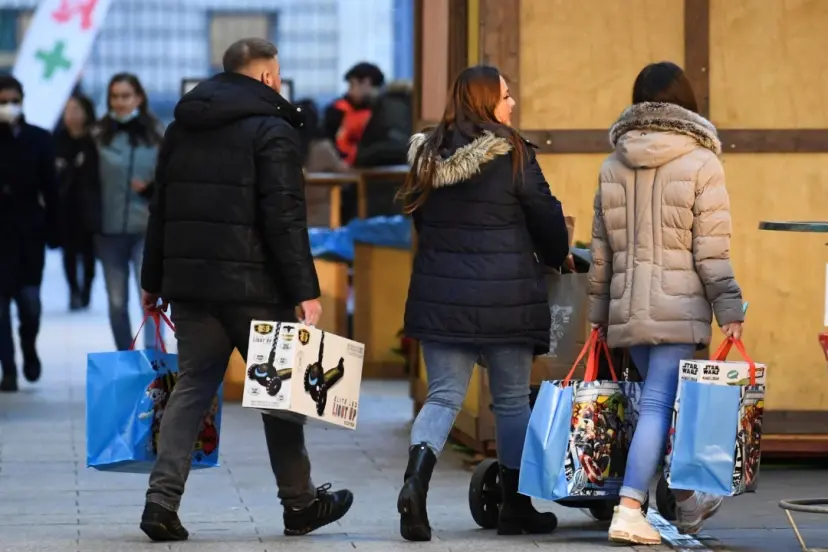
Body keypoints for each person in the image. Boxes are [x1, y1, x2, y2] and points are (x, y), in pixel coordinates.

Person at [139, 38, 353, 542]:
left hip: (192, 286)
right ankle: (300, 504)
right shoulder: (273, 131)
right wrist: (305, 289)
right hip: (256, 287)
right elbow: (283, 217)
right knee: (278, 397)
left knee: (191, 389)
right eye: (276, 73)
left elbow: (161, 211)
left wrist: (152, 282)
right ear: (265, 77)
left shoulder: (181, 127)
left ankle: (160, 501)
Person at [396, 65, 570, 541]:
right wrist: (556, 258)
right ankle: (515, 507)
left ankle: (415, 485)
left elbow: (422, 225)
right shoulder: (512, 153)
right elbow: (546, 216)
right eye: (506, 95)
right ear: (486, 100)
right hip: (506, 295)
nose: (512, 103)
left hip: (442, 297)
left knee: (443, 397)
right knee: (511, 401)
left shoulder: (427, 154)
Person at [588, 61, 745, 545]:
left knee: (661, 406)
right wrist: (730, 308)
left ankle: (686, 503)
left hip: (628, 311)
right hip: (679, 311)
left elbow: (601, 254)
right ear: (686, 102)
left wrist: (597, 318)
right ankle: (631, 506)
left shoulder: (612, 164)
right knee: (660, 404)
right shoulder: (702, 162)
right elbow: (711, 251)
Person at [94, 73, 163, 350]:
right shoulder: (98, 135)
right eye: (115, 96)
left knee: (148, 299)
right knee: (116, 302)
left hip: (145, 228)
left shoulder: (155, 134)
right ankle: (125, 357)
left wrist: (151, 190)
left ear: (139, 98)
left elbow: (171, 176)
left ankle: (152, 359)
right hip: (108, 230)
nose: (120, 102)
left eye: (126, 96)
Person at [0, 75, 59, 392]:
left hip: (28, 233)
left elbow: (51, 188)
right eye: (2, 101)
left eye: (13, 100)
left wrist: (54, 229)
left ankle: (29, 348)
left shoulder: (39, 138)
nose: (8, 106)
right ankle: (7, 368)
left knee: (29, 304)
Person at [56, 92, 100, 311]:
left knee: (89, 252)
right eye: (67, 110)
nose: (70, 115)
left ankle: (86, 290)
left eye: (75, 110)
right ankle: (73, 289)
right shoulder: (57, 140)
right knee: (69, 252)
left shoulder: (95, 140)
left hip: (89, 205)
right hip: (66, 206)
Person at [323, 61, 384, 165]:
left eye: (352, 85)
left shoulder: (382, 111)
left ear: (366, 83)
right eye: (350, 85)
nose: (349, 91)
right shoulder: (336, 110)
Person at [353, 78, 412, 168]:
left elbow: (370, 135)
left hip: (378, 162)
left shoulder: (383, 103)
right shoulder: (414, 104)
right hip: (404, 158)